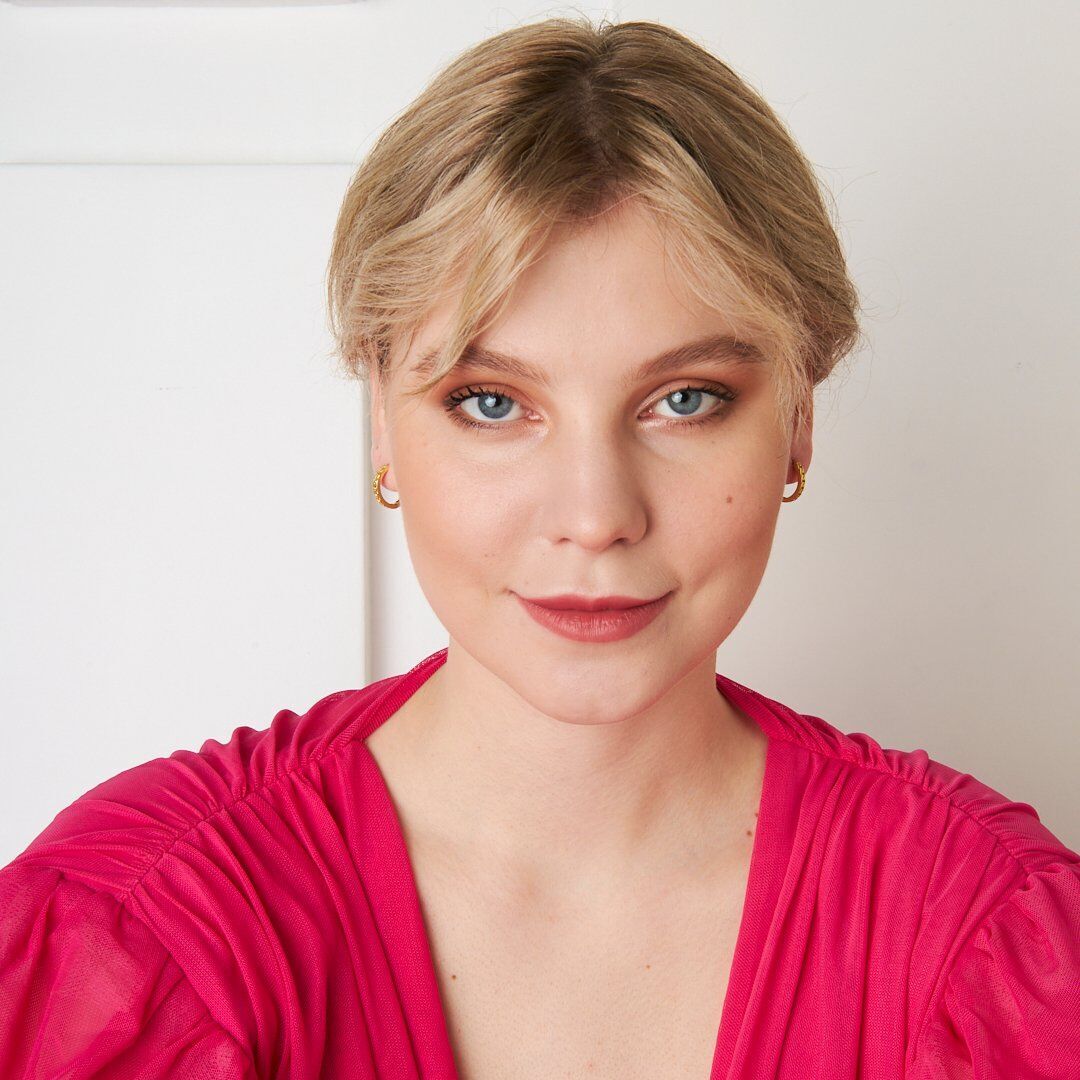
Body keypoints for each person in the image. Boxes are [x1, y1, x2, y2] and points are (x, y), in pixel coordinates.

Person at [1, 15, 1077, 1080]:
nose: (595, 515)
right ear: (381, 421)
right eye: (491, 402)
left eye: (686, 399)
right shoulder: (136, 936)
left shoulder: (991, 945)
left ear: (798, 420)